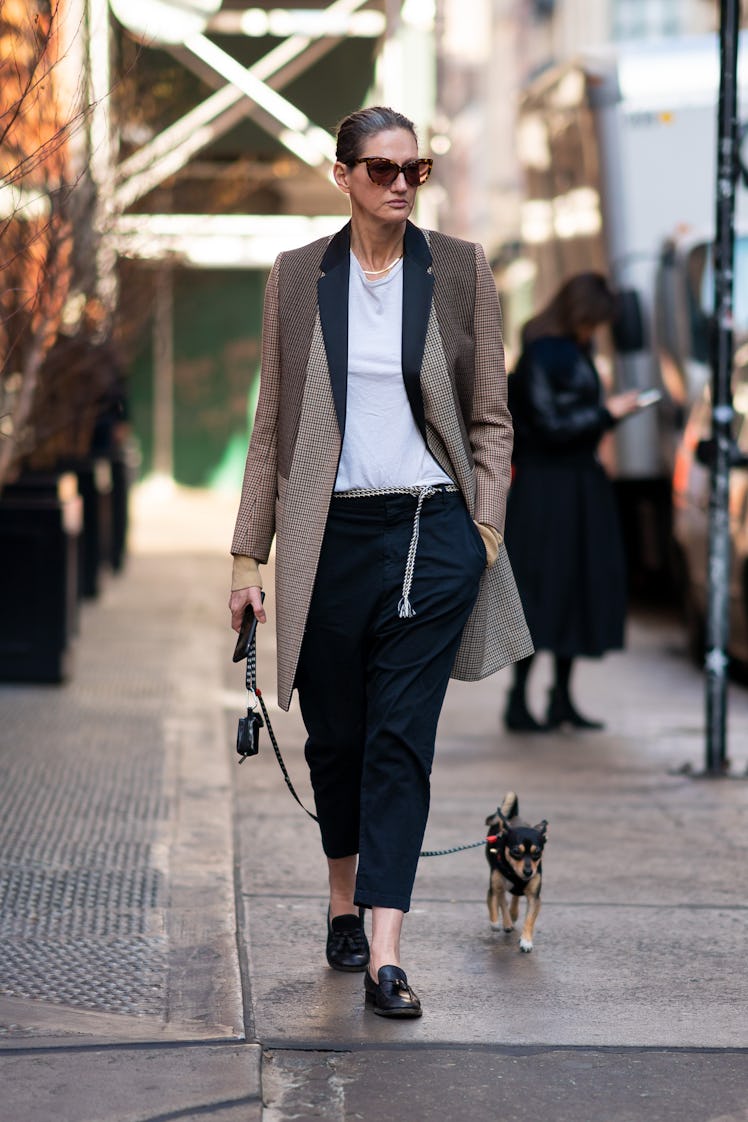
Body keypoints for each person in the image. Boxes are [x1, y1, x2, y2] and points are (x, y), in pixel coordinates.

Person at [229, 106, 533, 1019]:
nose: (400, 184)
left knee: (402, 739)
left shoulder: (460, 272)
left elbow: (489, 417)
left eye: (416, 169)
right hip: (328, 537)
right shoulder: (295, 279)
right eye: (380, 169)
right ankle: (341, 898)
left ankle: (386, 952)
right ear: (343, 175)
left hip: (431, 536)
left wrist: (482, 531)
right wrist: (248, 555)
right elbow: (272, 428)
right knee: (340, 737)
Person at [502, 272, 641, 732]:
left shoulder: (573, 350)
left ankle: (561, 697)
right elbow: (548, 426)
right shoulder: (544, 352)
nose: (598, 329)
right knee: (543, 588)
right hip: (549, 489)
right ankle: (519, 700)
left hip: (578, 484)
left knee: (577, 586)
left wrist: (607, 418)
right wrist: (608, 413)